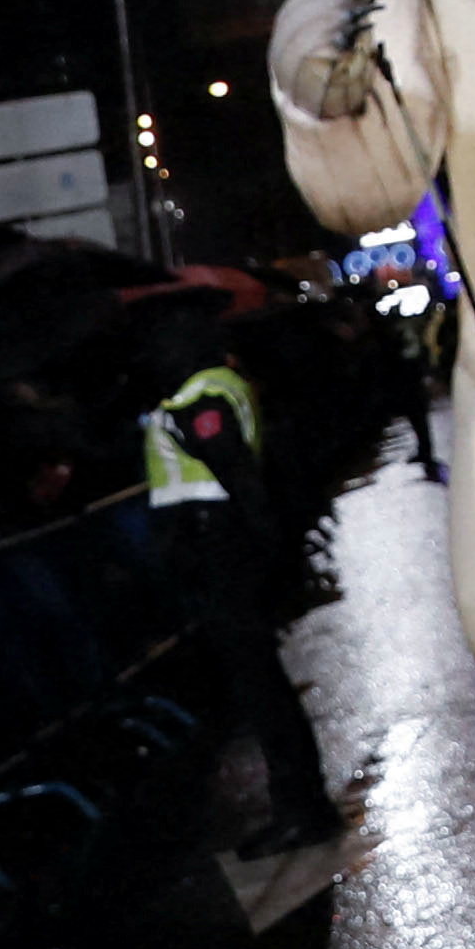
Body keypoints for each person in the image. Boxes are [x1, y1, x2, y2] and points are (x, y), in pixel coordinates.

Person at [143, 322, 347, 856]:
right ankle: (303, 807)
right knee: (261, 687)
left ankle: (303, 811)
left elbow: (237, 476)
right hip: (227, 553)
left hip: (223, 554)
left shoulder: (198, 398)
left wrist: (267, 552)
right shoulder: (215, 385)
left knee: (261, 690)